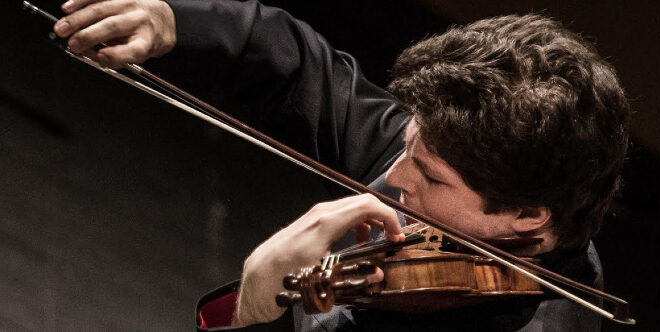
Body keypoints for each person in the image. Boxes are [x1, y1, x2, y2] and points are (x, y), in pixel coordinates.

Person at [52, 0, 630, 331]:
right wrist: (173, 23)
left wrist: (258, 312)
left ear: (526, 216)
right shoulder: (447, 159)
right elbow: (297, 65)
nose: (393, 179)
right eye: (408, 145)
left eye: (429, 177)